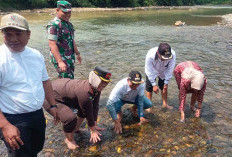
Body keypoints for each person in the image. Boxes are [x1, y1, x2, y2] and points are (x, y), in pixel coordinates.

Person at [0, 13, 58, 157]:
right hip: (12, 118)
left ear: (29, 34)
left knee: (36, 149)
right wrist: (5, 125)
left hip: (37, 114)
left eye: (18, 34)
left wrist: (53, 105)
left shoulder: (36, 55)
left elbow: (45, 81)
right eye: (8, 34)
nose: (13, 39)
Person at [43, 66, 111, 150]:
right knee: (70, 118)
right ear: (95, 80)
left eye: (106, 83)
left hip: (62, 93)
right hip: (49, 98)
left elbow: (95, 106)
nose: (104, 85)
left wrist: (94, 124)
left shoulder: (96, 88)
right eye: (102, 82)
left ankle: (75, 129)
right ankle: (69, 140)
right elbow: (88, 112)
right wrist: (92, 130)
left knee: (83, 109)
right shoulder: (84, 93)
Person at [47, 0, 82, 79]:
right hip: (61, 58)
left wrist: (77, 54)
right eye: (65, 12)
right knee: (65, 81)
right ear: (57, 10)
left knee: (70, 79)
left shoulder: (68, 24)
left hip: (70, 58)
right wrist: (60, 62)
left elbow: (72, 40)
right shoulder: (54, 25)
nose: (68, 15)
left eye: (69, 12)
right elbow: (52, 44)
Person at [145, 43, 176, 110]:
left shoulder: (172, 54)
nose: (166, 59)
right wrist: (154, 84)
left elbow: (170, 69)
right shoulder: (150, 56)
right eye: (164, 58)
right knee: (149, 87)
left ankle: (165, 104)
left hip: (164, 70)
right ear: (158, 53)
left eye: (168, 58)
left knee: (164, 87)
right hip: (152, 69)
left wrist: (166, 82)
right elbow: (149, 71)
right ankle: (149, 105)